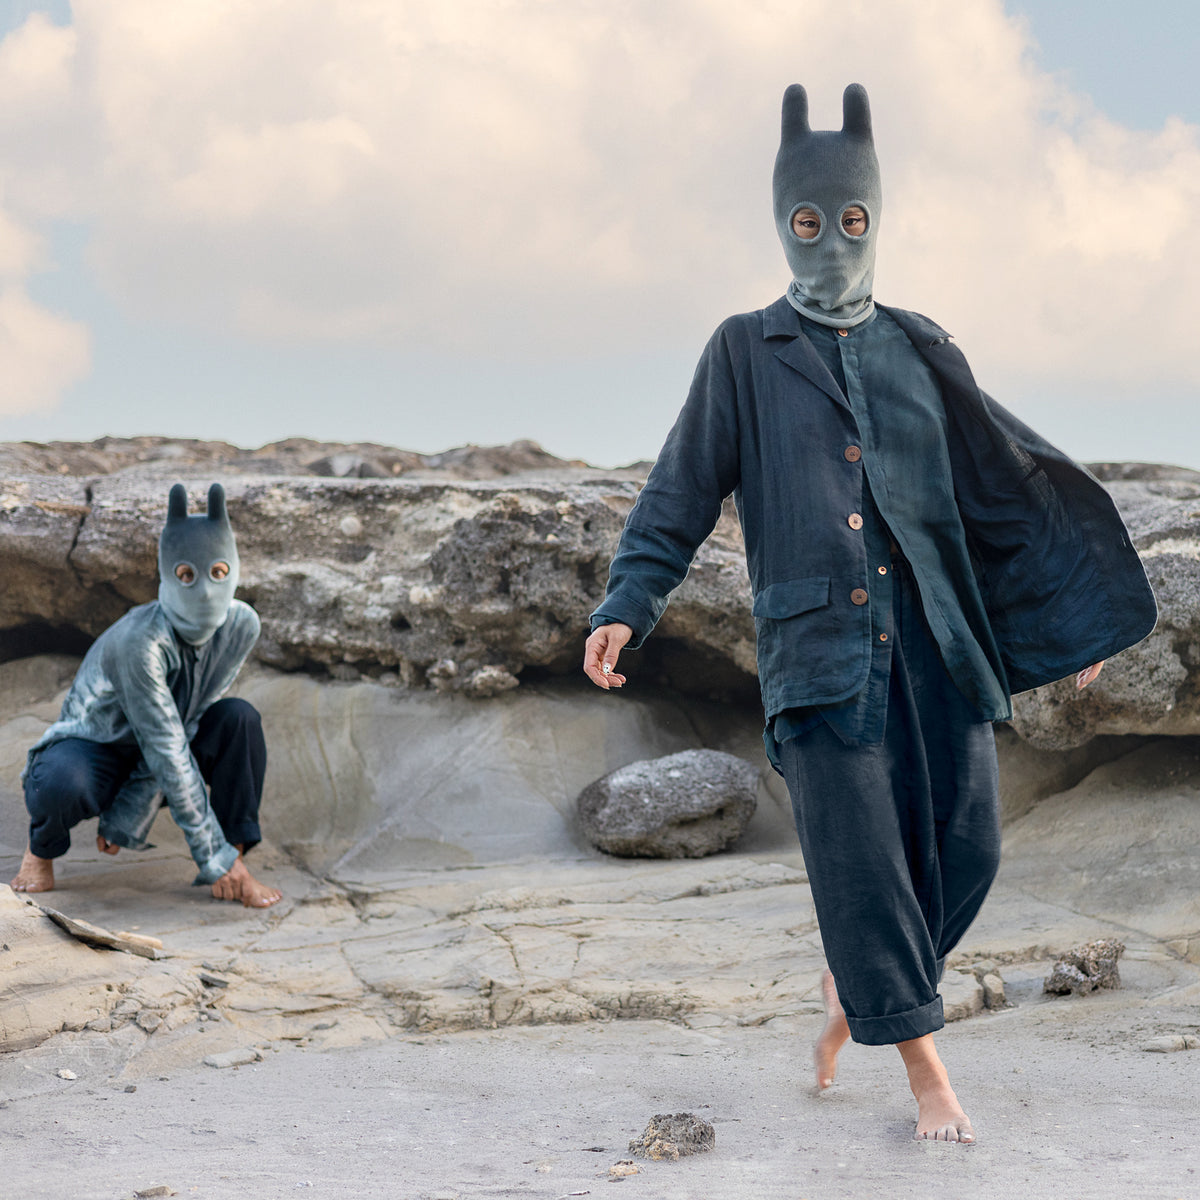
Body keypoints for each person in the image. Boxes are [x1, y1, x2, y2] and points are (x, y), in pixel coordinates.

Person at [583, 83, 1156, 1143]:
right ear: (781, 223)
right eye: (808, 222)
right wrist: (629, 601)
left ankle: (859, 991)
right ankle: (928, 1078)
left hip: (938, 648)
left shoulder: (920, 345)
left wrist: (1075, 615)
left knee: (971, 852)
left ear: (876, 215)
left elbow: (1003, 488)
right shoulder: (743, 351)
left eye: (851, 218)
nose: (832, 241)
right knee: (864, 872)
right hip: (817, 659)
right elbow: (677, 493)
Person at [10, 482, 281, 908]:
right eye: (187, 575)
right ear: (168, 573)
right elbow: (164, 745)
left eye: (219, 573)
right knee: (61, 782)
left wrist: (128, 817)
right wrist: (129, 817)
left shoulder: (240, 625)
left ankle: (233, 858)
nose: (205, 591)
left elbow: (187, 722)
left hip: (165, 741)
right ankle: (40, 850)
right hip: (99, 747)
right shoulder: (141, 641)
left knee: (239, 719)